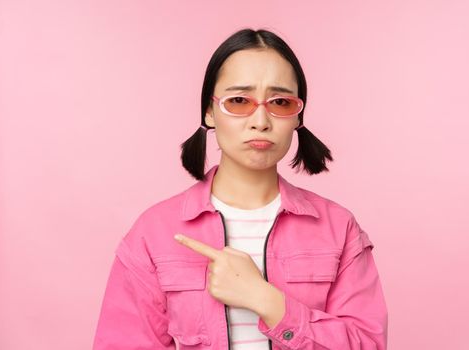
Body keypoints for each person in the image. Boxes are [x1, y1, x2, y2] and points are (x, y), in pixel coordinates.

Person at [93, 27, 388, 350]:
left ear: (297, 116)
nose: (260, 120)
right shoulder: (154, 232)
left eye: (280, 101)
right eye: (238, 100)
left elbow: (367, 345)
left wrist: (267, 301)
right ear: (209, 110)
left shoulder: (338, 228)